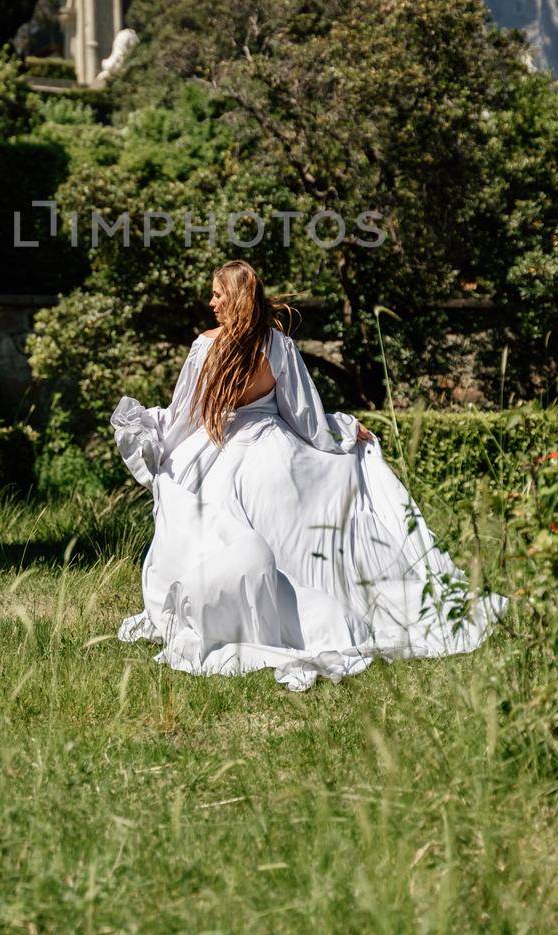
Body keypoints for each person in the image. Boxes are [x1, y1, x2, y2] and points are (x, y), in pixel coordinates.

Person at [111, 259, 508, 692]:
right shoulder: (277, 346)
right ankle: (319, 609)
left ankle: (252, 611)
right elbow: (305, 417)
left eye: (218, 295)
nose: (211, 303)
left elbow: (186, 417)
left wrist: (155, 440)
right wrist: (343, 434)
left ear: (235, 297)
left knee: (206, 522)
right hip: (272, 450)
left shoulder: (206, 347)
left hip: (219, 452)